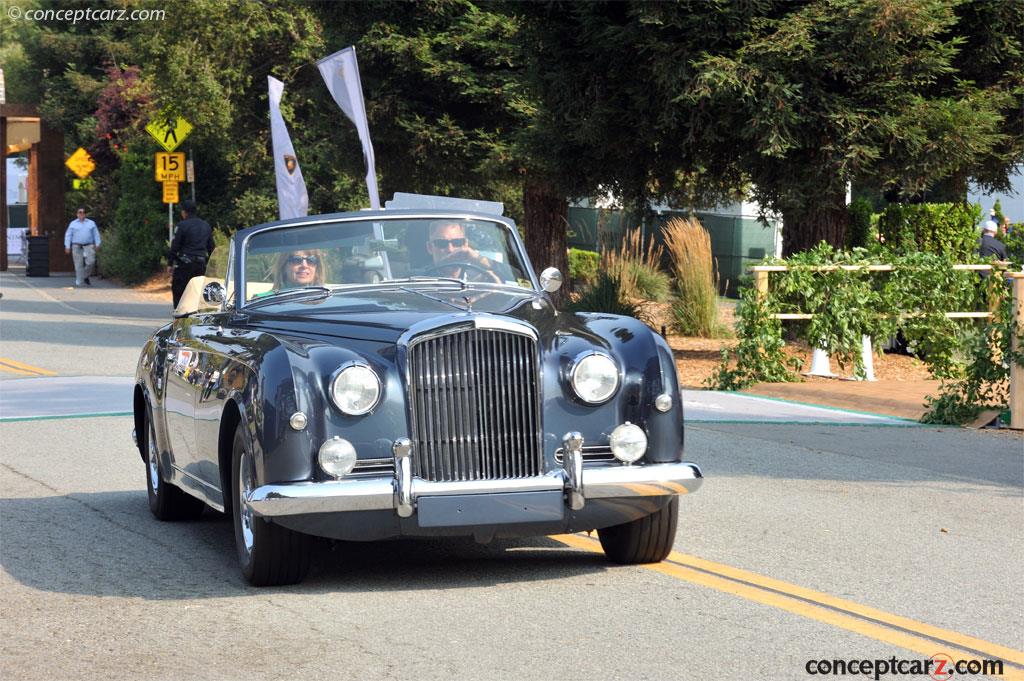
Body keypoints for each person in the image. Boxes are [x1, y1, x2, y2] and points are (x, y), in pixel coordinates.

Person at [168, 200, 214, 308]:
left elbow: (175, 246)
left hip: (185, 265)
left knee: (179, 291)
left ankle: (180, 317)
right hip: (201, 265)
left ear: (184, 212)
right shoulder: (205, 225)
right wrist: (211, 265)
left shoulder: (182, 225)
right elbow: (211, 247)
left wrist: (170, 263)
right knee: (198, 292)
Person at [425, 220, 500, 282]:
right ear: (430, 248)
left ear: (465, 244)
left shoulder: (483, 277)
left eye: (457, 242)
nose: (450, 249)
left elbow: (511, 272)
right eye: (441, 243)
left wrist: (480, 259)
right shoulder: (418, 279)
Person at [64, 207, 101, 287]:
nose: (81, 214)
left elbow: (96, 234)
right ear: (77, 214)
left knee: (91, 261)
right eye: (79, 212)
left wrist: (98, 244)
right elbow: (68, 235)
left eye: (83, 213)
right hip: (76, 245)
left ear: (85, 214)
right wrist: (67, 246)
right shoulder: (73, 224)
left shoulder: (91, 223)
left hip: (88, 245)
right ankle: (79, 281)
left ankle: (85, 276)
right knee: (78, 264)